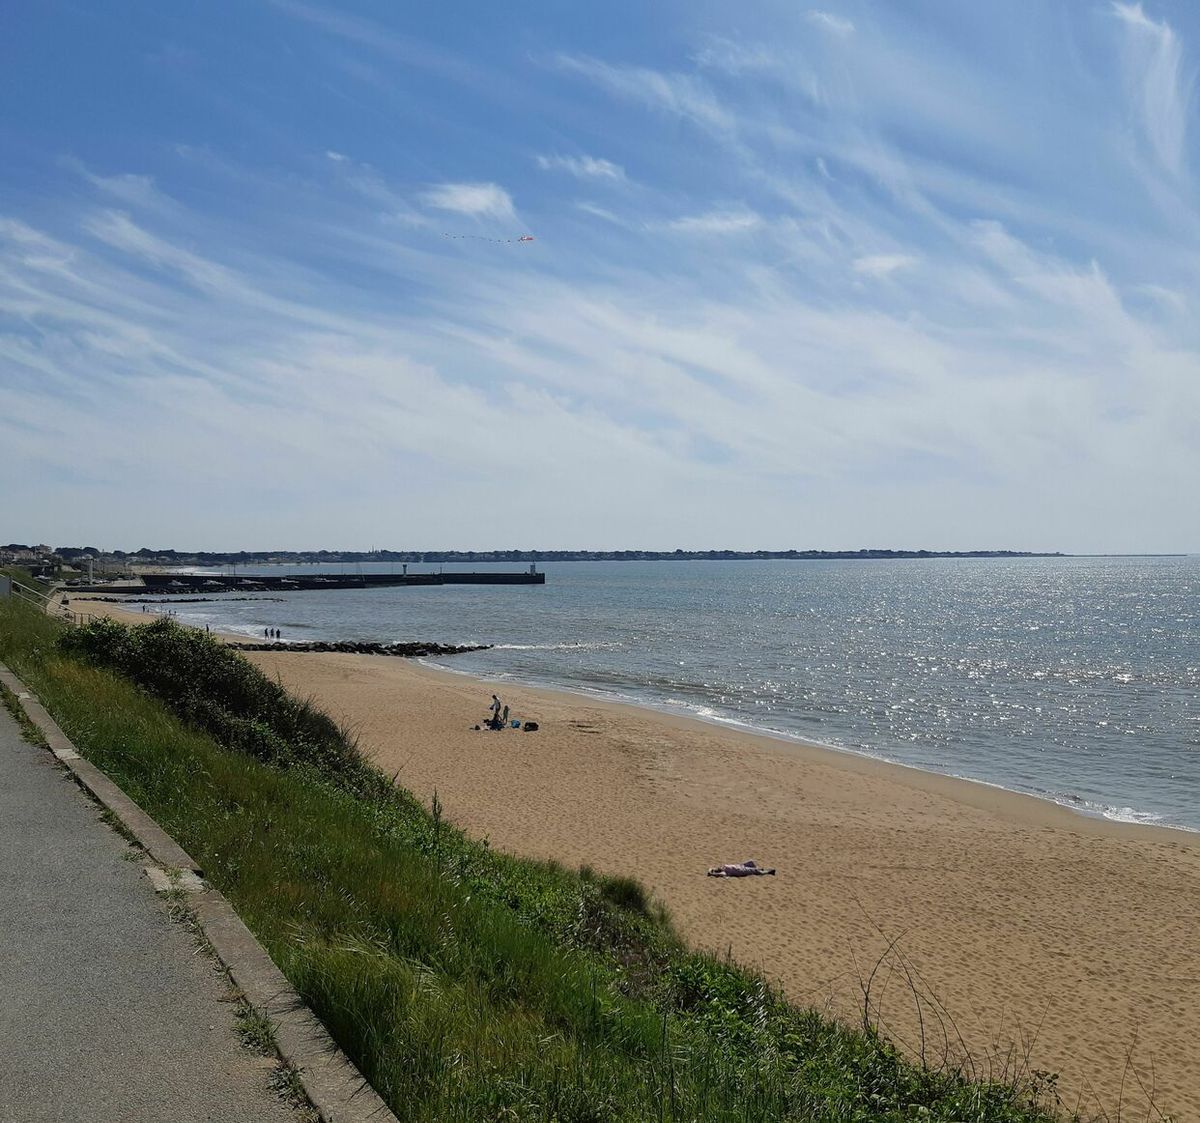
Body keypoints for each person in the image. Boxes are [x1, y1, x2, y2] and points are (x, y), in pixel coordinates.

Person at [707, 860, 776, 877]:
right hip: (742, 870)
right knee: (756, 871)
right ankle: (769, 872)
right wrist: (712, 874)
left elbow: (715, 870)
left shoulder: (724, 867)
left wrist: (713, 870)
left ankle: (760, 870)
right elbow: (719, 874)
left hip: (741, 866)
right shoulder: (726, 872)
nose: (719, 867)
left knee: (751, 862)